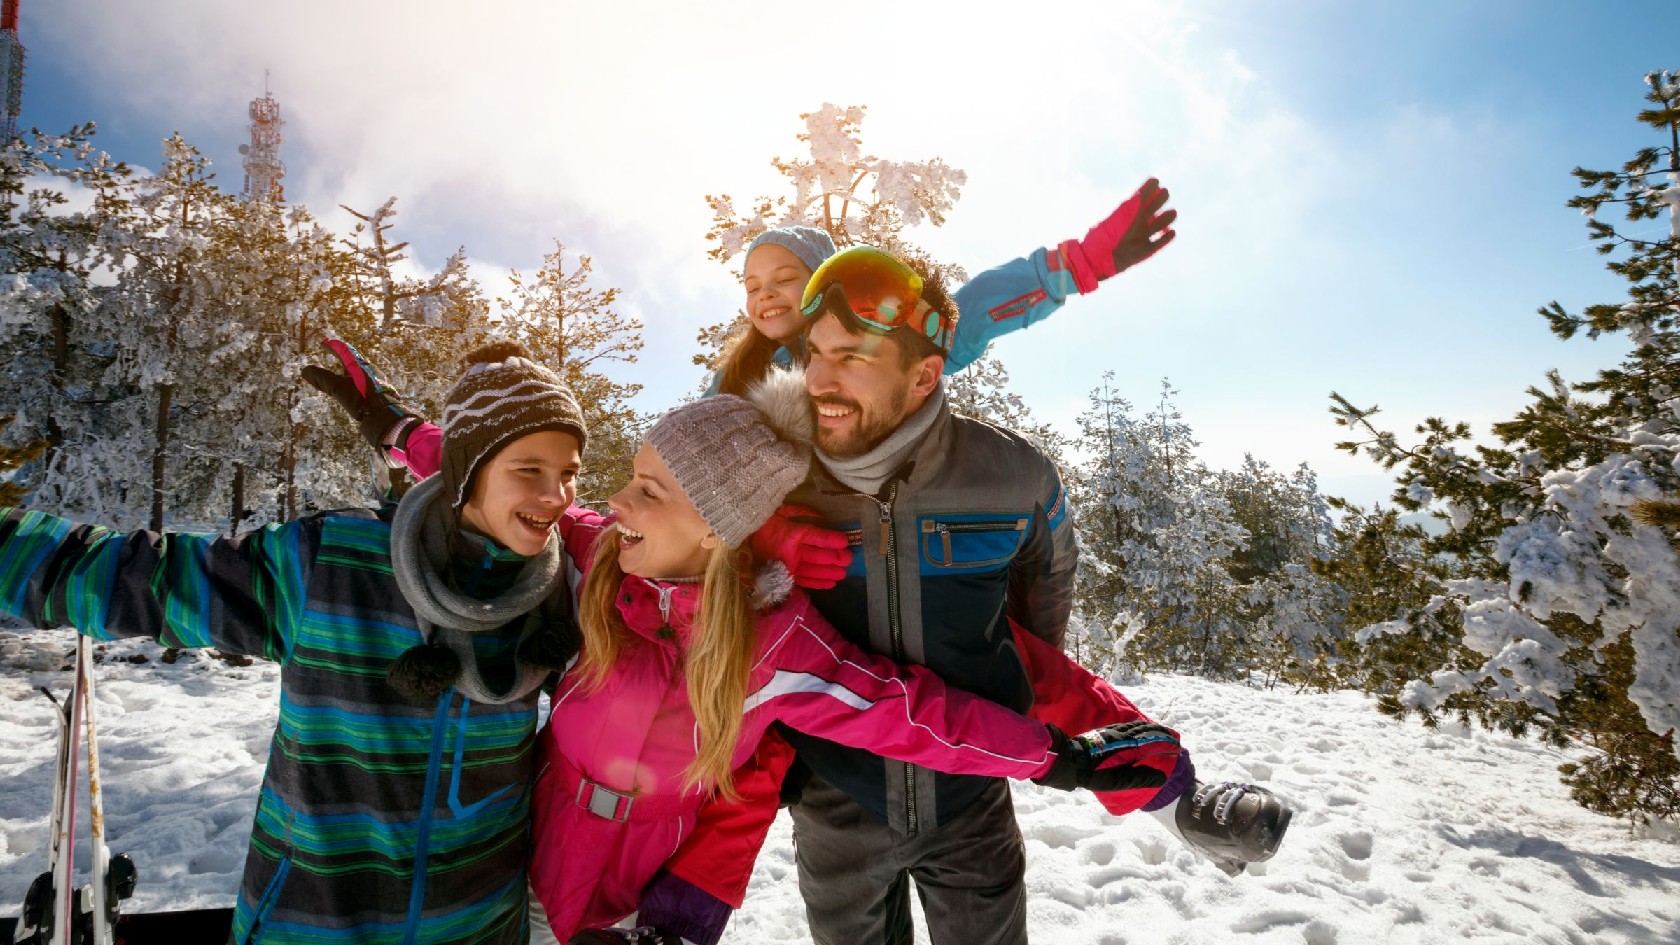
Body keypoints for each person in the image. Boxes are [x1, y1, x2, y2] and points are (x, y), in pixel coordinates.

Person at [517, 367, 1184, 943]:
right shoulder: (597, 557)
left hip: (637, 897)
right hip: (520, 859)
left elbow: (916, 714)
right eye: (632, 479)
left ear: (718, 529)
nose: (617, 500)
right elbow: (501, 500)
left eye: (649, 490)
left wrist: (1058, 758)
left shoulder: (774, 646)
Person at [763, 246, 1289, 945]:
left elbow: (1044, 595)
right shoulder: (773, 471)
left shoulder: (1010, 475)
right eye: (816, 353)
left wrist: (1016, 703)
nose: (819, 381)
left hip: (970, 799)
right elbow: (679, 561)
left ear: (923, 375)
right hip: (835, 798)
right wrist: (762, 531)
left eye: (852, 357)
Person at [0, 345, 593, 945]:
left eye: (569, 473)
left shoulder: (557, 590)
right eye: (529, 471)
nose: (558, 495)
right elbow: (147, 580)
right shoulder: (332, 562)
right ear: (466, 471)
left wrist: (402, 431)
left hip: (480, 926)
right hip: (312, 922)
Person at [708, 178, 1176, 396]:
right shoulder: (739, 373)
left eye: (785, 279)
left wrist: (1075, 265)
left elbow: (964, 317)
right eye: (752, 286)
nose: (765, 294)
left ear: (823, 285)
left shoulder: (871, 339)